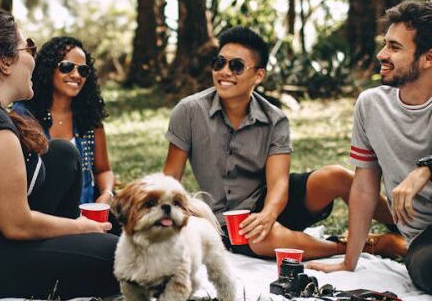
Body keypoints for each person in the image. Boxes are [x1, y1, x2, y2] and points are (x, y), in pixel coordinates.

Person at [163, 26, 406, 260]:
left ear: (258, 75)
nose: (224, 72)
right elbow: (170, 178)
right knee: (263, 238)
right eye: (219, 63)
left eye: (236, 66)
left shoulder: (274, 119)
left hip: (271, 201)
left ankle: (406, 227)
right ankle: (366, 246)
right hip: (226, 222)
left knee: (337, 176)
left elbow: (279, 183)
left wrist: (268, 214)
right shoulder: (189, 112)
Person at [0, 11, 119, 301]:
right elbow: (17, 225)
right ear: (5, 62)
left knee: (63, 154)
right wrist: (80, 227)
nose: (34, 60)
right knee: (117, 255)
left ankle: (75, 244)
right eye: (29, 48)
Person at [308, 1, 432, 293]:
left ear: (428, 58)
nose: (382, 54)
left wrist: (424, 170)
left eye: (395, 47)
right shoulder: (371, 105)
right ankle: (394, 244)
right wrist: (348, 262)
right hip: (425, 239)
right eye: (385, 44)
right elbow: (364, 187)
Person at [14, 36, 114, 206]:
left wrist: (107, 194)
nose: (76, 75)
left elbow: (103, 170)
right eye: (67, 67)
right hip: (42, 217)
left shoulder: (89, 118)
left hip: (87, 216)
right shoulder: (24, 116)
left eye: (83, 70)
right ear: (48, 69)